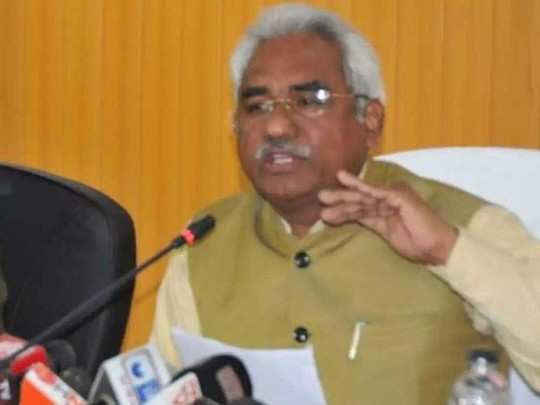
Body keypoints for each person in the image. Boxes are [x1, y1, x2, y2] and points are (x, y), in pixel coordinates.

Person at [152, 3, 540, 403]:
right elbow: (159, 387)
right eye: (257, 106)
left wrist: (448, 251)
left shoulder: (465, 224)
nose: (277, 126)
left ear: (370, 120)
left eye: (310, 100)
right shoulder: (205, 242)